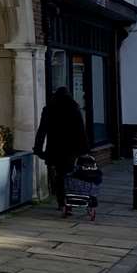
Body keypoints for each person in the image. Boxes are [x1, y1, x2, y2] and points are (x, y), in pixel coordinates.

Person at [33, 86, 89, 215]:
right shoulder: (74, 108)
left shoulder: (49, 109)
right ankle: (68, 202)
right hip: (70, 150)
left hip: (54, 148)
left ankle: (61, 202)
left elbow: (42, 131)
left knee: (58, 176)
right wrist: (84, 149)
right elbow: (81, 130)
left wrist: (38, 148)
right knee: (68, 175)